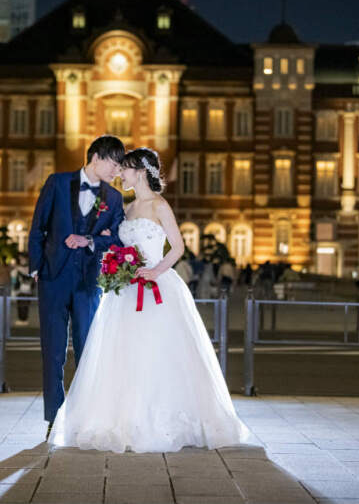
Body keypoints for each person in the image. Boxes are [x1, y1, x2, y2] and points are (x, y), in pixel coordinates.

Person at [49, 148, 253, 452]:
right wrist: (114, 257)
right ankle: (121, 416)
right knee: (122, 353)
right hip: (126, 289)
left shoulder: (159, 205)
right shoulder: (127, 208)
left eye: (126, 170)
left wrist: (155, 270)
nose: (120, 174)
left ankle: (167, 419)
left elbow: (178, 248)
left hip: (157, 287)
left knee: (158, 351)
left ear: (141, 171)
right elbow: (119, 243)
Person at [29, 135, 126, 437]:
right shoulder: (57, 183)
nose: (117, 170)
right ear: (96, 157)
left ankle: (84, 418)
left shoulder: (114, 198)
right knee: (53, 351)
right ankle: (53, 418)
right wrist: (36, 268)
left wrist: (92, 240)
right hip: (53, 279)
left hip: (88, 281)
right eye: (114, 163)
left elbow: (120, 239)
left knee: (87, 350)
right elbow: (38, 227)